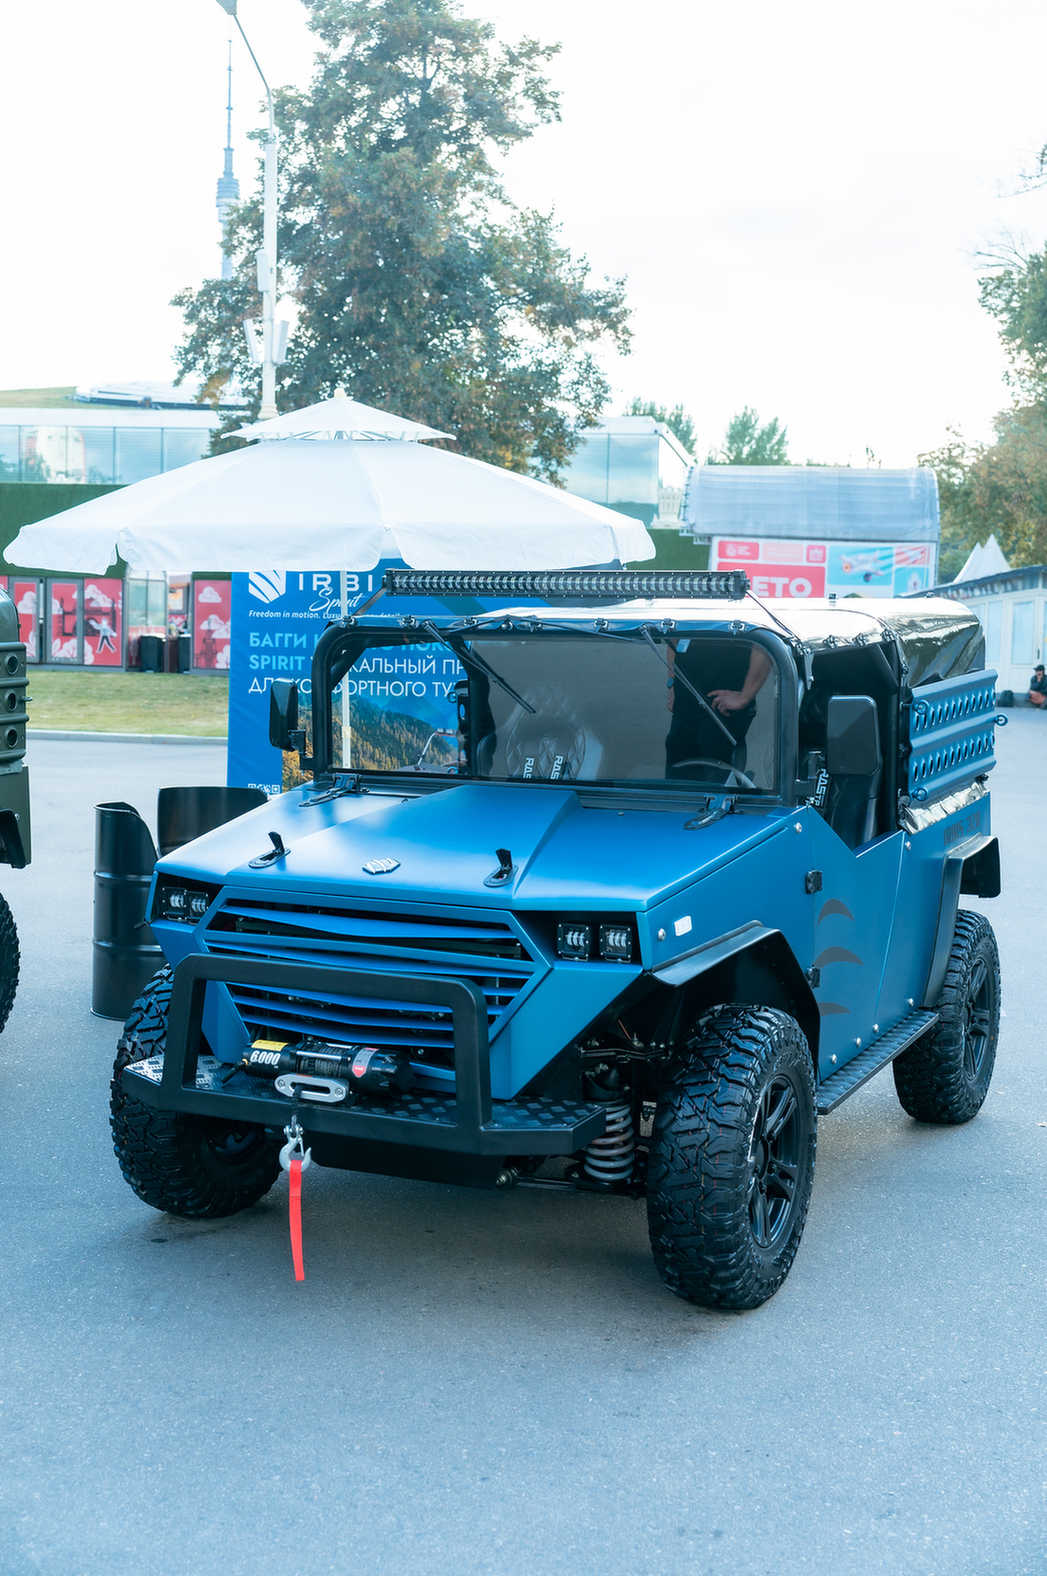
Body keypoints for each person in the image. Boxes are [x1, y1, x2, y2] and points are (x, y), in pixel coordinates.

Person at [665, 640, 772, 775]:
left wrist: (745, 696)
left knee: (717, 764)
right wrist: (672, 684)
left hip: (723, 703)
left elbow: (764, 642)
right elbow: (673, 639)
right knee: (678, 769)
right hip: (686, 701)